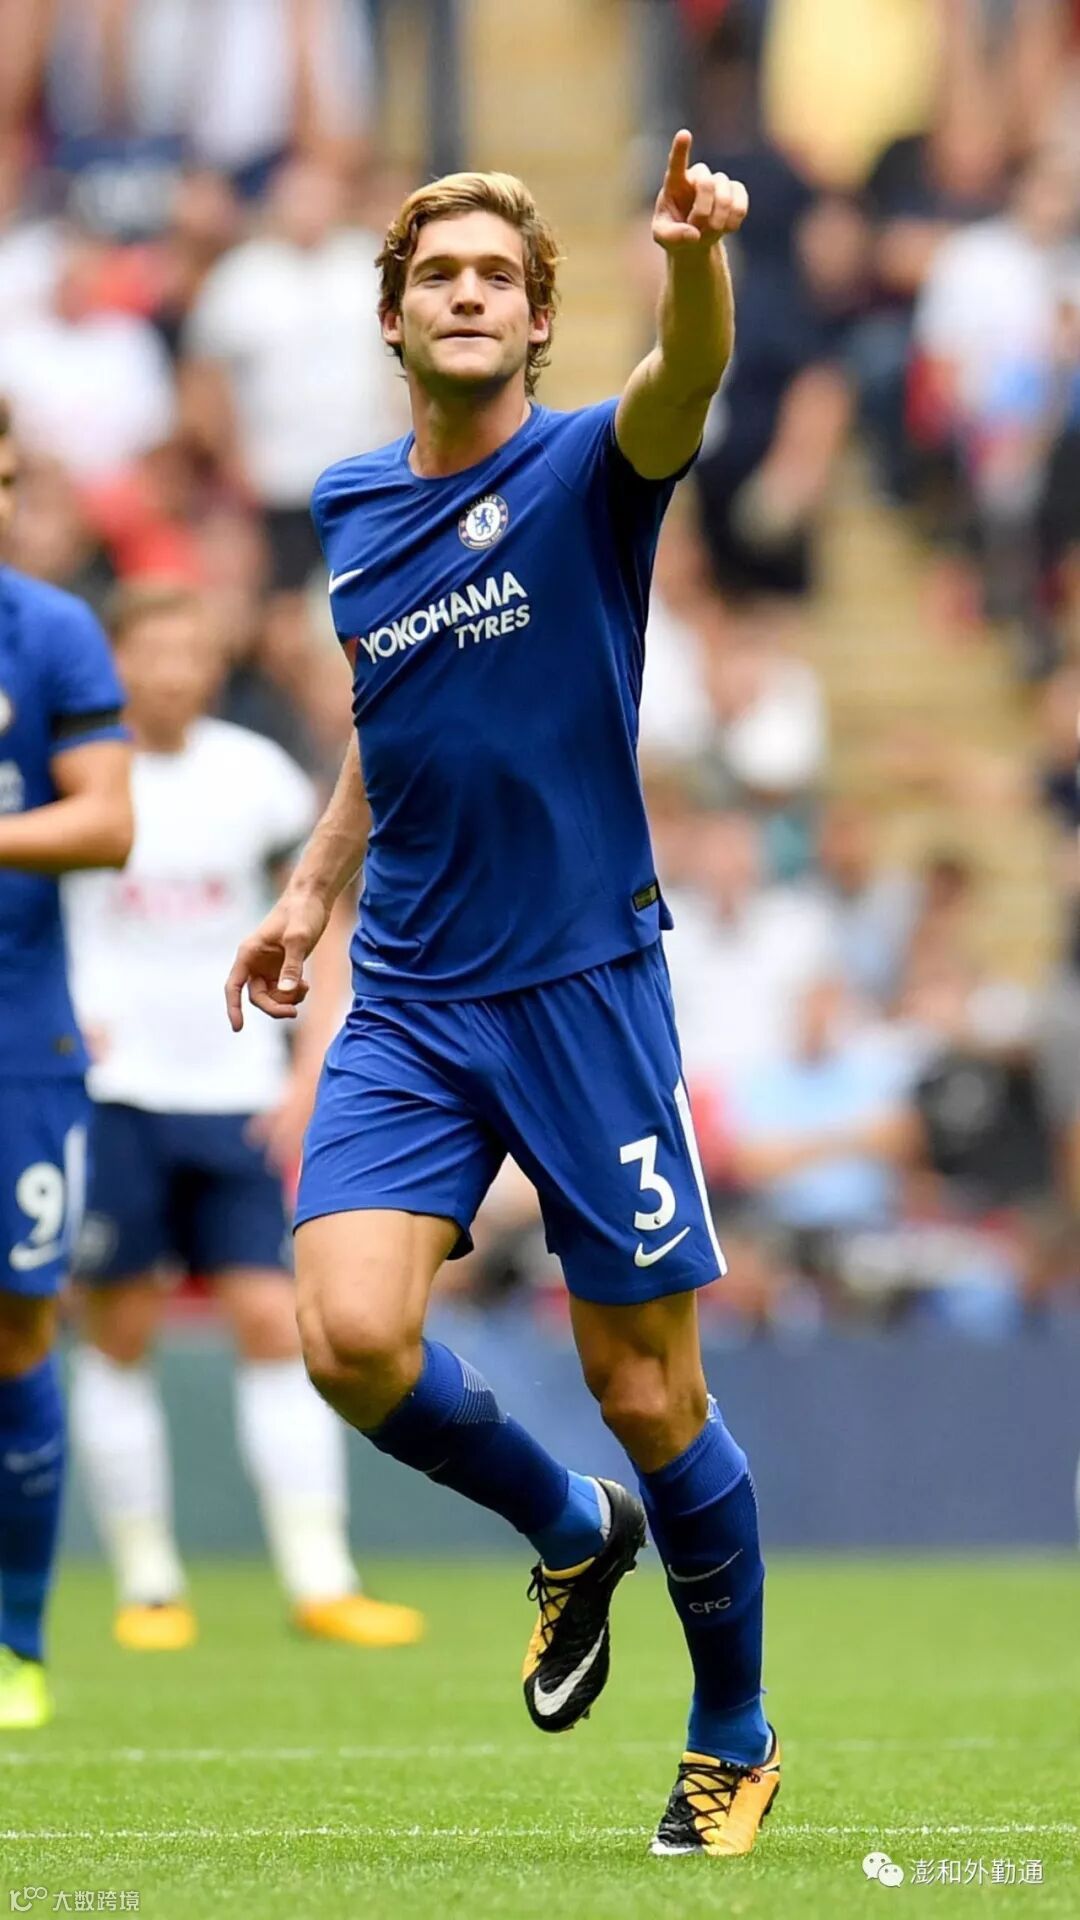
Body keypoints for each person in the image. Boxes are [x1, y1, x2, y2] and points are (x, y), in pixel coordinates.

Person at [228, 135, 781, 1861]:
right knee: (350, 1338)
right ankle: (569, 1530)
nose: (466, 295)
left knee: (649, 1390)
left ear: (540, 322)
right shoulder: (349, 508)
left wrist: (694, 260)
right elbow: (390, 712)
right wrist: (313, 889)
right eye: (438, 276)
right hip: (408, 992)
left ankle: (734, 1734)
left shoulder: (593, 470)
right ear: (393, 318)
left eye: (497, 278)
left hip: (582, 985)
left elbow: (687, 377)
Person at [64, 581, 422, 1653]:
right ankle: (148, 1583)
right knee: (119, 1331)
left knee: (275, 1323)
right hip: (115, 1091)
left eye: (191, 651)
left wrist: (310, 1066)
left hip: (235, 1093)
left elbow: (328, 915)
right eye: (153, 652)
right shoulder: (80, 773)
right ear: (117, 663)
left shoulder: (253, 775)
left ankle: (321, 1576)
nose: (174, 671)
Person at [0, 395, 134, 1729]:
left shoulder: (49, 631)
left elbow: (107, 822)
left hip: (17, 1040)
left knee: (17, 1329)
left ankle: (17, 1644)